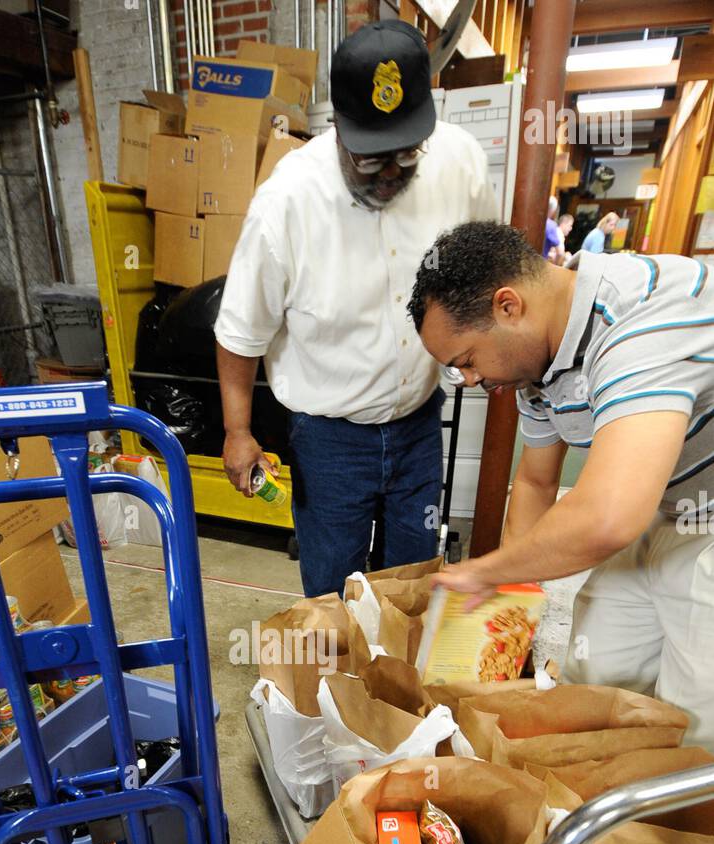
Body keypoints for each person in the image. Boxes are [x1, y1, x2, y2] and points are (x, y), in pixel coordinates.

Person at [214, 19, 496, 598]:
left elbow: (488, 271)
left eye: (406, 154)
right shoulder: (287, 203)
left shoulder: (460, 164)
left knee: (410, 583)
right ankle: (334, 687)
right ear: (338, 128)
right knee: (332, 591)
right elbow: (240, 334)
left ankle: (393, 686)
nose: (392, 173)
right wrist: (237, 432)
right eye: (371, 159)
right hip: (329, 440)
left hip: (419, 420)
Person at [407, 220, 714, 751]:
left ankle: (671, 826)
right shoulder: (535, 365)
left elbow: (608, 517)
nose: (472, 381)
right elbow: (534, 481)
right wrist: (507, 599)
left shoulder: (640, 317)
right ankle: (602, 796)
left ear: (508, 306)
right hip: (669, 506)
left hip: (692, 516)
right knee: (599, 668)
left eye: (467, 362)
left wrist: (485, 572)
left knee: (694, 720)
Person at [543, 196, 560, 260]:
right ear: (553, 210)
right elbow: (560, 253)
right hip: (541, 263)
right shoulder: (551, 225)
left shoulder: (531, 220)